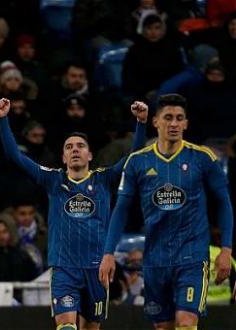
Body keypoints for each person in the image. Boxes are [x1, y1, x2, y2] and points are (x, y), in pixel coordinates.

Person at [0, 97, 148, 330]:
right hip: (64, 268)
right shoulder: (53, 180)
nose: (75, 149)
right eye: (69, 147)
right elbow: (16, 157)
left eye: (80, 146)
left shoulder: (104, 180)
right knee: (66, 326)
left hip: (97, 268)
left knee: (90, 328)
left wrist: (142, 123)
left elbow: (135, 157)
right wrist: (3, 120)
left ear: (90, 155)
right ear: (64, 158)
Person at [100, 94, 234, 330]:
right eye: (168, 118)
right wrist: (108, 253)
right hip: (155, 259)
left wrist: (226, 248)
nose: (174, 124)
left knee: (186, 322)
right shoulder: (137, 162)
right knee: (163, 326)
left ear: (186, 124)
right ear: (155, 122)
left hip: (192, 256)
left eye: (179, 118)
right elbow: (121, 209)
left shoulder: (203, 158)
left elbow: (224, 203)